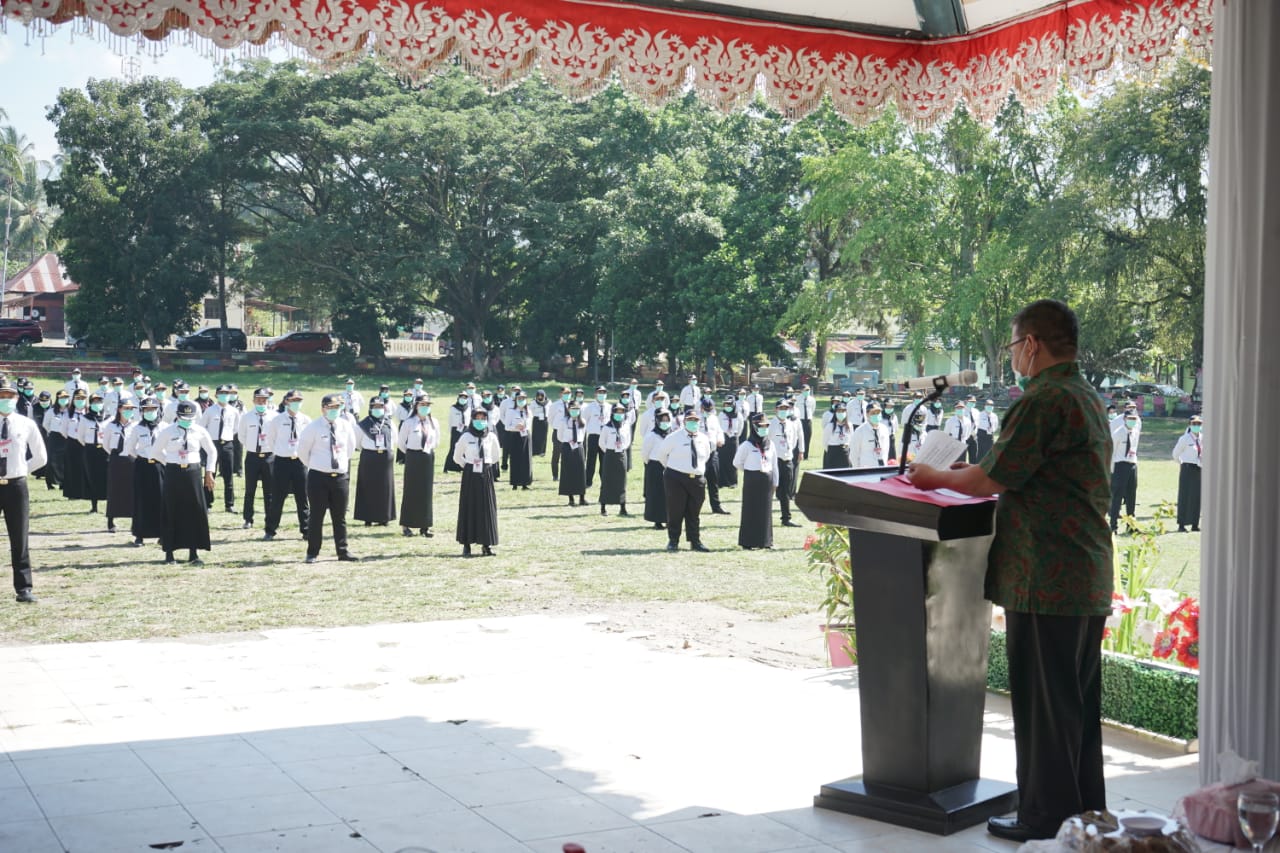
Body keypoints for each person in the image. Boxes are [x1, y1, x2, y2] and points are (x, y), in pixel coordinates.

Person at [906, 299, 1113, 843]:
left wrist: (932, 477)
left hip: (1045, 573)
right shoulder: (1084, 394)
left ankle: (1044, 817)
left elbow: (990, 480)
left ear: (1032, 344)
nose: (1013, 355)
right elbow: (1017, 469)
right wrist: (963, 472)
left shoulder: (1043, 398)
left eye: (1014, 344)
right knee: (1072, 703)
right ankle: (1083, 811)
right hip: (1081, 568)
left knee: (1044, 704)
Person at [0, 379, 47, 603]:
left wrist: (21, 470)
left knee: (19, 537)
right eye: (2, 396)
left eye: (9, 396)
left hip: (16, 485)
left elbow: (40, 456)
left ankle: (24, 588)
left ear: (16, 398)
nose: (5, 400)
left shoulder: (25, 423)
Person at [298, 393, 359, 564]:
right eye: (330, 407)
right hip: (319, 477)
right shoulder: (313, 427)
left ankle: (342, 551)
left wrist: (338, 466)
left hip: (340, 477)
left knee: (339, 516)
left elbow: (350, 449)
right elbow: (303, 452)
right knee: (316, 516)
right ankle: (312, 552)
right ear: (323, 409)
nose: (334, 410)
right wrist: (318, 465)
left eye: (337, 407)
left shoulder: (345, 426)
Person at [155, 400, 217, 564]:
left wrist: (209, 472)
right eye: (184, 417)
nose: (187, 421)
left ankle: (193, 553)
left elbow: (212, 451)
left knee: (194, 509)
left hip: (193, 472)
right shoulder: (168, 431)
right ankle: (169, 553)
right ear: (177, 415)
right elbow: (155, 452)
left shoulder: (199, 430)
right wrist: (170, 462)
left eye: (190, 418)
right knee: (171, 509)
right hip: (173, 472)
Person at [655, 408, 713, 552]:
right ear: (684, 421)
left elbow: (706, 456)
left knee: (694, 512)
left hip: (697, 479)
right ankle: (673, 540)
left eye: (695, 420)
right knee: (675, 510)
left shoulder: (703, 438)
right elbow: (662, 455)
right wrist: (673, 468)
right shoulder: (674, 437)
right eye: (690, 420)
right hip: (676, 478)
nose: (693, 423)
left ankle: (695, 541)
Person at [452, 406, 500, 557]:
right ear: (472, 420)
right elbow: (457, 456)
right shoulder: (466, 436)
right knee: (469, 507)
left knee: (486, 508)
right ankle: (466, 545)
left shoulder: (491, 436)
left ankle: (486, 544)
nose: (480, 421)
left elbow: (496, 455)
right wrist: (467, 465)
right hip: (470, 474)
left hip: (486, 473)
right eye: (477, 418)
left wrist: (487, 465)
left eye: (483, 418)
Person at [263, 389, 310, 541]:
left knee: (302, 497)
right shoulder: (276, 420)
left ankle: (306, 529)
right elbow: (271, 440)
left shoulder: (306, 420)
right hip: (282, 462)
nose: (296, 403)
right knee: (277, 497)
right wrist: (282, 451)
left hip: (300, 462)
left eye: (299, 401)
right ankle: (270, 530)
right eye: (293, 400)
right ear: (286, 402)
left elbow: (308, 441)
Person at [124, 396, 166, 547]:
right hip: (143, 466)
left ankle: (162, 534)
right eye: (146, 409)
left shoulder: (165, 427)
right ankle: (139, 535)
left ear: (158, 410)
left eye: (153, 409)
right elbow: (130, 448)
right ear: (141, 412)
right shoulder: (137, 428)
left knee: (161, 499)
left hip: (160, 466)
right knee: (141, 500)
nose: (150, 412)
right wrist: (142, 457)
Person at [733, 413, 778, 550]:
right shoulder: (747, 445)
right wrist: (749, 471)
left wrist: (775, 482)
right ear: (754, 427)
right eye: (761, 426)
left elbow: (774, 464)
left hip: (767, 479)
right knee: (750, 509)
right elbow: (737, 462)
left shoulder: (770, 444)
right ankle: (748, 541)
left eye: (766, 426)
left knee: (766, 510)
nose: (764, 429)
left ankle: (765, 541)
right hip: (752, 479)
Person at [397, 393, 438, 538]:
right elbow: (401, 443)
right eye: (422, 405)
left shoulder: (433, 422)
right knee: (411, 490)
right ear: (416, 406)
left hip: (427, 457)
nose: (425, 407)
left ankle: (424, 525)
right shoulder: (409, 422)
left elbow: (436, 441)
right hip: (413, 457)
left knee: (425, 491)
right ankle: (406, 525)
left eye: (427, 405)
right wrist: (412, 453)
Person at [352, 397, 396, 528]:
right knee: (368, 487)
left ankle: (384, 517)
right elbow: (357, 442)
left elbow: (395, 439)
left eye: (380, 407)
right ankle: (368, 518)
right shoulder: (363, 424)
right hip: (369, 457)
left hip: (385, 458)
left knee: (385, 488)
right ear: (370, 408)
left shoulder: (389, 423)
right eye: (375, 407)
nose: (378, 409)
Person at [238, 388, 275, 530]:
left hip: (269, 457)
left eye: (264, 399)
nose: (261, 402)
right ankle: (248, 519)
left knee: (269, 491)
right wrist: (251, 446)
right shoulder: (247, 417)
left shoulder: (274, 416)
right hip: (252, 457)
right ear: (253, 400)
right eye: (259, 399)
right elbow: (241, 436)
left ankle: (269, 520)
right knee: (250, 490)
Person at [200, 384, 240, 513]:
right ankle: (207, 503)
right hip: (213, 444)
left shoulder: (234, 411)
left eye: (226, 393)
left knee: (228, 475)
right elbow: (202, 427)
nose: (224, 395)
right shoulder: (210, 410)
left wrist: (226, 437)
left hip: (227, 444)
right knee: (210, 473)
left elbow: (236, 428)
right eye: (221, 393)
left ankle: (229, 504)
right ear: (216, 395)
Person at [103, 398, 136, 534]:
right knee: (114, 489)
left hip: (131, 460)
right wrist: (115, 455)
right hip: (116, 460)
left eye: (131, 409)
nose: (128, 411)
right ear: (119, 409)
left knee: (132, 490)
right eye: (126, 408)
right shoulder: (111, 426)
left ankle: (134, 521)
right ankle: (111, 521)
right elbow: (106, 445)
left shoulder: (135, 426)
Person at [768, 400, 802, 528]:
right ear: (776, 410)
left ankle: (786, 518)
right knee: (770, 490)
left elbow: (793, 441)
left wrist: (788, 452)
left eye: (786, 408)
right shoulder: (771, 424)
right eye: (781, 408)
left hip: (787, 459)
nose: (783, 411)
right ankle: (766, 517)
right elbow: (767, 441)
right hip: (775, 461)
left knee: (786, 491)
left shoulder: (791, 424)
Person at [1109, 408, 1141, 532]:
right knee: (1117, 497)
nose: (1132, 421)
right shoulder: (1118, 433)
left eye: (1134, 419)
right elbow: (1111, 452)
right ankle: (1113, 526)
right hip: (1119, 465)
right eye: (1130, 419)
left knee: (1131, 496)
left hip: (1132, 464)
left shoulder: (1135, 432)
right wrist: (1112, 470)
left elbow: (1134, 448)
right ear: (1124, 419)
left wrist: (1134, 463)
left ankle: (1131, 526)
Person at [78, 390, 110, 516]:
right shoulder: (85, 419)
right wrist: (90, 445)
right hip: (90, 450)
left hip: (105, 450)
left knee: (107, 477)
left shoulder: (109, 418)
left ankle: (109, 505)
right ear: (90, 404)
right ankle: (94, 506)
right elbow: (80, 437)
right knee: (92, 477)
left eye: (99, 401)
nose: (97, 404)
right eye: (94, 402)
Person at [641, 409, 672, 529]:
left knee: (670, 494)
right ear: (657, 421)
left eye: (667, 420)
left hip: (670, 466)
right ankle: (657, 520)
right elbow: (645, 454)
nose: (665, 423)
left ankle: (669, 519)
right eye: (662, 420)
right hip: (655, 467)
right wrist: (652, 464)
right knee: (656, 494)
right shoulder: (651, 436)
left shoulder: (672, 435)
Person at [597, 403, 631, 516]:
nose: (619, 414)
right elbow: (601, 443)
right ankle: (603, 507)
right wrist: (609, 451)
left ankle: (623, 507)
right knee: (607, 480)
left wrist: (621, 448)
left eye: (622, 412)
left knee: (621, 481)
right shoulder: (606, 427)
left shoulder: (625, 426)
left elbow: (628, 441)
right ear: (613, 413)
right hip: (610, 455)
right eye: (617, 411)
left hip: (621, 454)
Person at [1172, 415, 1202, 533]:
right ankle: (1182, 524)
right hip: (1187, 468)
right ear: (1189, 425)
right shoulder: (1185, 439)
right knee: (1185, 496)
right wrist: (1182, 463)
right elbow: (1175, 454)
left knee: (1197, 497)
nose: (1196, 426)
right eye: (1194, 424)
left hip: (1199, 468)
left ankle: (1195, 524)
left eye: (1199, 424)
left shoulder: (1203, 438)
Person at [555, 399, 588, 506]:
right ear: (568, 409)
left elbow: (583, 434)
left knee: (580, 472)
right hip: (567, 448)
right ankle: (571, 499)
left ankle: (582, 498)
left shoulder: (583, 421)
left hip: (579, 447)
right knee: (568, 472)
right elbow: (559, 436)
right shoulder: (563, 421)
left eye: (577, 409)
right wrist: (568, 441)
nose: (575, 411)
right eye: (572, 409)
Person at [502, 390, 534, 490]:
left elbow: (530, 424)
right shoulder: (511, 411)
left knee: (526, 459)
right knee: (515, 459)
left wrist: (524, 426)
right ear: (515, 400)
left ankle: (525, 483)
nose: (521, 400)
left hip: (525, 436)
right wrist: (516, 427)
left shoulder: (528, 411)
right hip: (515, 436)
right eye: (519, 398)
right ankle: (515, 483)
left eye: (523, 398)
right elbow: (507, 426)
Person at [850, 402, 891, 468]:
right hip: (866, 468)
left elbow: (886, 450)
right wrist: (857, 470)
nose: (876, 415)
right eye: (873, 413)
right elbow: (853, 454)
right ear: (867, 414)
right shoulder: (860, 431)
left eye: (878, 413)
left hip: (881, 466)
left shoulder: (884, 429)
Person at [42, 390, 68, 490]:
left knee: (64, 460)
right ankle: (49, 482)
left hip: (66, 437)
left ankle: (63, 482)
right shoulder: (51, 411)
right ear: (57, 399)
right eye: (61, 398)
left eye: (65, 398)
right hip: (54, 437)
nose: (64, 400)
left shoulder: (69, 411)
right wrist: (52, 431)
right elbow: (45, 424)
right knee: (52, 460)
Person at [583, 385, 609, 490]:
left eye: (603, 393)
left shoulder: (609, 407)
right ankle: (588, 481)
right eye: (599, 392)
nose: (601, 395)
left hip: (605, 437)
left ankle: (605, 482)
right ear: (595, 394)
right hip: (594, 436)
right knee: (591, 460)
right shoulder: (590, 407)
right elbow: (584, 420)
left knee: (604, 461)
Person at [716, 395, 740, 488]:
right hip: (723, 438)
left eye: (729, 404)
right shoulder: (721, 415)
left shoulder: (738, 415)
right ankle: (722, 482)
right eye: (726, 404)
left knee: (733, 461)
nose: (727, 406)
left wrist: (734, 435)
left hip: (733, 438)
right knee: (722, 460)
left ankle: (732, 482)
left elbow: (740, 427)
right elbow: (718, 426)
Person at [821, 402, 854, 468]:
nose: (841, 413)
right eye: (839, 411)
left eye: (843, 411)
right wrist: (832, 449)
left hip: (845, 452)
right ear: (835, 413)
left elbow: (852, 439)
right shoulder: (830, 426)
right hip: (833, 451)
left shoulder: (849, 425)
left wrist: (846, 448)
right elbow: (824, 442)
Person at [531, 389, 551, 457]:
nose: (540, 397)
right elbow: (531, 411)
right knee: (535, 436)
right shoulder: (534, 402)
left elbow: (550, 411)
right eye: (538, 395)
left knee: (543, 436)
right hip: (536, 420)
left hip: (545, 420)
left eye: (541, 395)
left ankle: (542, 452)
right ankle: (534, 451)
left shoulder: (549, 402)